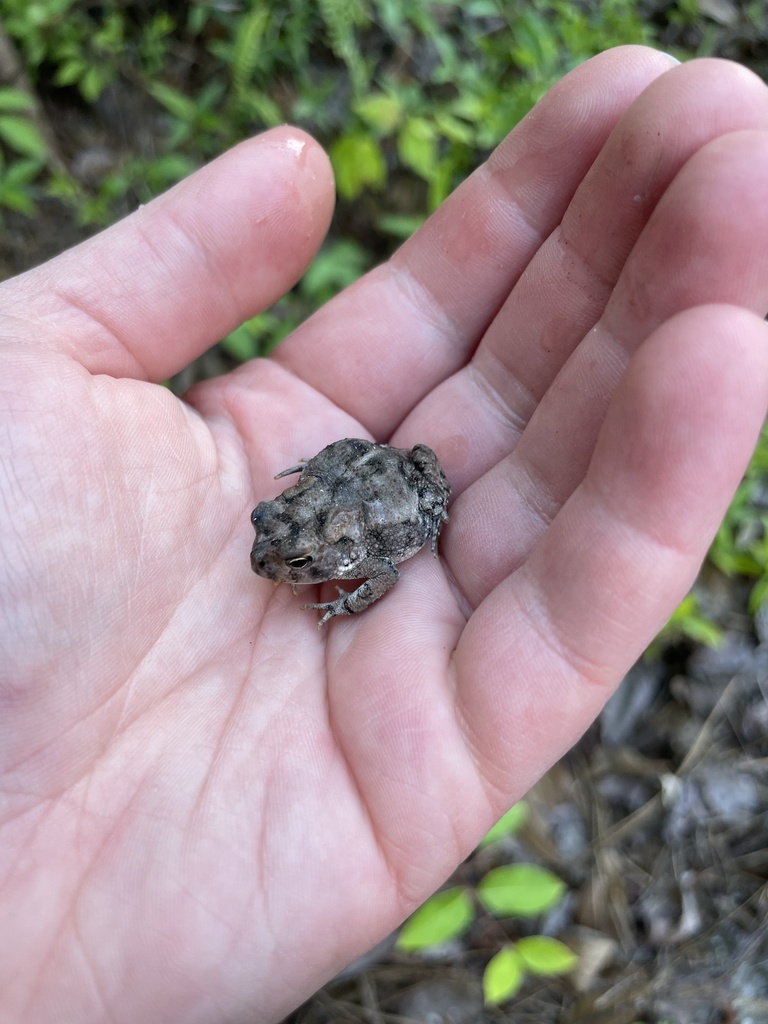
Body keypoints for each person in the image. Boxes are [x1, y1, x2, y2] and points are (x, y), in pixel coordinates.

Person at [2, 44, 768, 1023]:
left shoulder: (350, 557)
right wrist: (313, 521)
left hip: (392, 494)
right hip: (354, 472)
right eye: (276, 544)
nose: (272, 561)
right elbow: (321, 512)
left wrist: (337, 585)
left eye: (288, 556)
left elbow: (383, 577)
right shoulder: (302, 535)